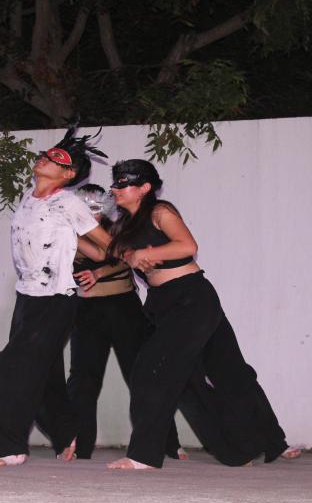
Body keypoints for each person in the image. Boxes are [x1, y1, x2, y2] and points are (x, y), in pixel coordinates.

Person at [104, 159, 300, 470]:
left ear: (144, 188)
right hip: (162, 304)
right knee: (223, 372)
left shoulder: (160, 212)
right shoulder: (123, 225)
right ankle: (243, 449)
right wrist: (123, 252)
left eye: (123, 182)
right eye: (115, 182)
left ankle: (143, 455)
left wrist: (146, 254)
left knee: (154, 371)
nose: (115, 188)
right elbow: (115, 252)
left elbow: (187, 245)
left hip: (191, 298)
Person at [0, 127, 112, 467]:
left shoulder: (68, 201)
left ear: (68, 174)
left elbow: (106, 248)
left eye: (55, 158)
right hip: (27, 297)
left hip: (55, 298)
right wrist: (68, 239)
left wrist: (97, 262)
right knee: (45, 374)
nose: (44, 158)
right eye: (45, 154)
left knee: (12, 368)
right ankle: (69, 436)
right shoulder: (28, 196)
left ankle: (8, 448)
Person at [68, 184, 185, 461]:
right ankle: (78, 446)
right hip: (86, 310)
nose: (93, 213)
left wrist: (99, 272)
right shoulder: (68, 231)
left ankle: (168, 442)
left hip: (123, 306)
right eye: (87, 207)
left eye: (97, 207)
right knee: (83, 379)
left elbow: (129, 259)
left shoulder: (120, 228)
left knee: (142, 375)